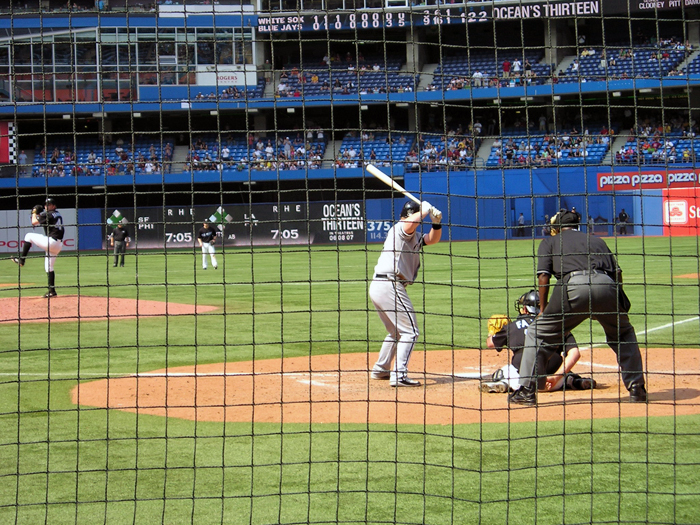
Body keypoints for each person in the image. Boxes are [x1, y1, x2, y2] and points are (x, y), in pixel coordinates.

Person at [509, 209, 647, 406]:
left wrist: (543, 310)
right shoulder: (597, 240)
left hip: (572, 288)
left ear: (557, 227)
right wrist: (620, 299)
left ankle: (527, 391)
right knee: (623, 334)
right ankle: (637, 389)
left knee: (537, 333)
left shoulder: (549, 241)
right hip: (606, 286)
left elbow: (543, 276)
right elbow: (617, 273)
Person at [370, 200, 442, 386]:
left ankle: (381, 369)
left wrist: (436, 222)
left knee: (396, 332)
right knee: (411, 331)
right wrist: (424, 212)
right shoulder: (400, 229)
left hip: (382, 285)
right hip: (389, 284)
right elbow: (409, 224)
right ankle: (399, 375)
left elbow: (432, 239)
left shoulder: (413, 236)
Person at [481, 290, 596, 393]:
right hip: (553, 382)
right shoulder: (558, 325)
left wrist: (492, 332)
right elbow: (575, 353)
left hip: (525, 382)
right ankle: (571, 380)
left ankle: (504, 384)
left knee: (503, 372)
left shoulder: (512, 327)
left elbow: (490, 343)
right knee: (566, 370)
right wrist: (556, 377)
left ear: (525, 309)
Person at [11, 197, 64, 298]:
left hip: (51, 242)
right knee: (49, 268)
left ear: (53, 205)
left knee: (28, 236)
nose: (46, 206)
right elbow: (44, 219)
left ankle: (22, 260)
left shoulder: (48, 214)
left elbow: (34, 222)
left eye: (48, 205)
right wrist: (39, 215)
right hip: (58, 245)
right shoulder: (56, 213)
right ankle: (52, 291)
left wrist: (34, 212)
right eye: (45, 205)